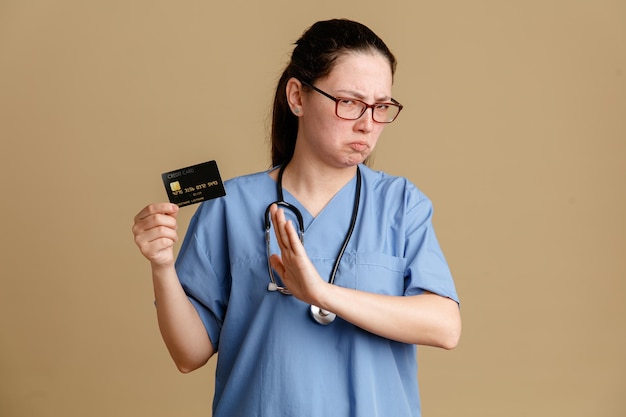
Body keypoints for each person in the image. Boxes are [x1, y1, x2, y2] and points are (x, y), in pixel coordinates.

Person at [132, 18, 461, 417]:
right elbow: (189, 354)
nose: (367, 123)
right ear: (297, 97)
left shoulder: (400, 204)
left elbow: (445, 327)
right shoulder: (229, 205)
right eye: (350, 102)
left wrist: (322, 294)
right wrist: (162, 266)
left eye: (381, 107)